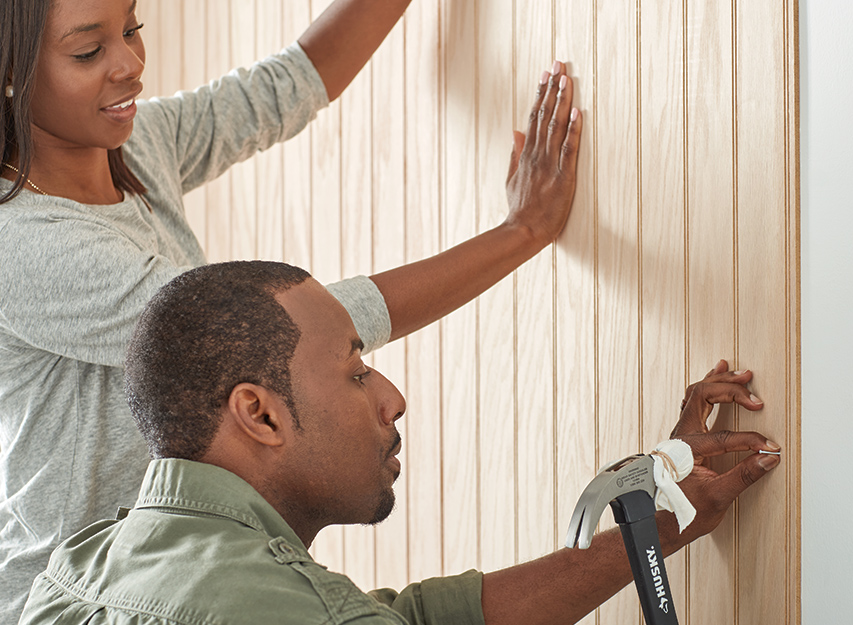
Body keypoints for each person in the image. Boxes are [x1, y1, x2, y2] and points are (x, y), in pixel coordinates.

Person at [0, 0, 582, 619]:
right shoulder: (23, 243)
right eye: (88, 52)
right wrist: (522, 232)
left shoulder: (136, 145)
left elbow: (287, 85)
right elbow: (280, 335)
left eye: (132, 30)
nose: (130, 64)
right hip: (86, 599)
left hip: (186, 568)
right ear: (10, 73)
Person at [18, 260, 781, 625]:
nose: (392, 397)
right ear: (260, 413)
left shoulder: (80, 562)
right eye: (354, 373)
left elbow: (410, 622)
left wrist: (654, 516)